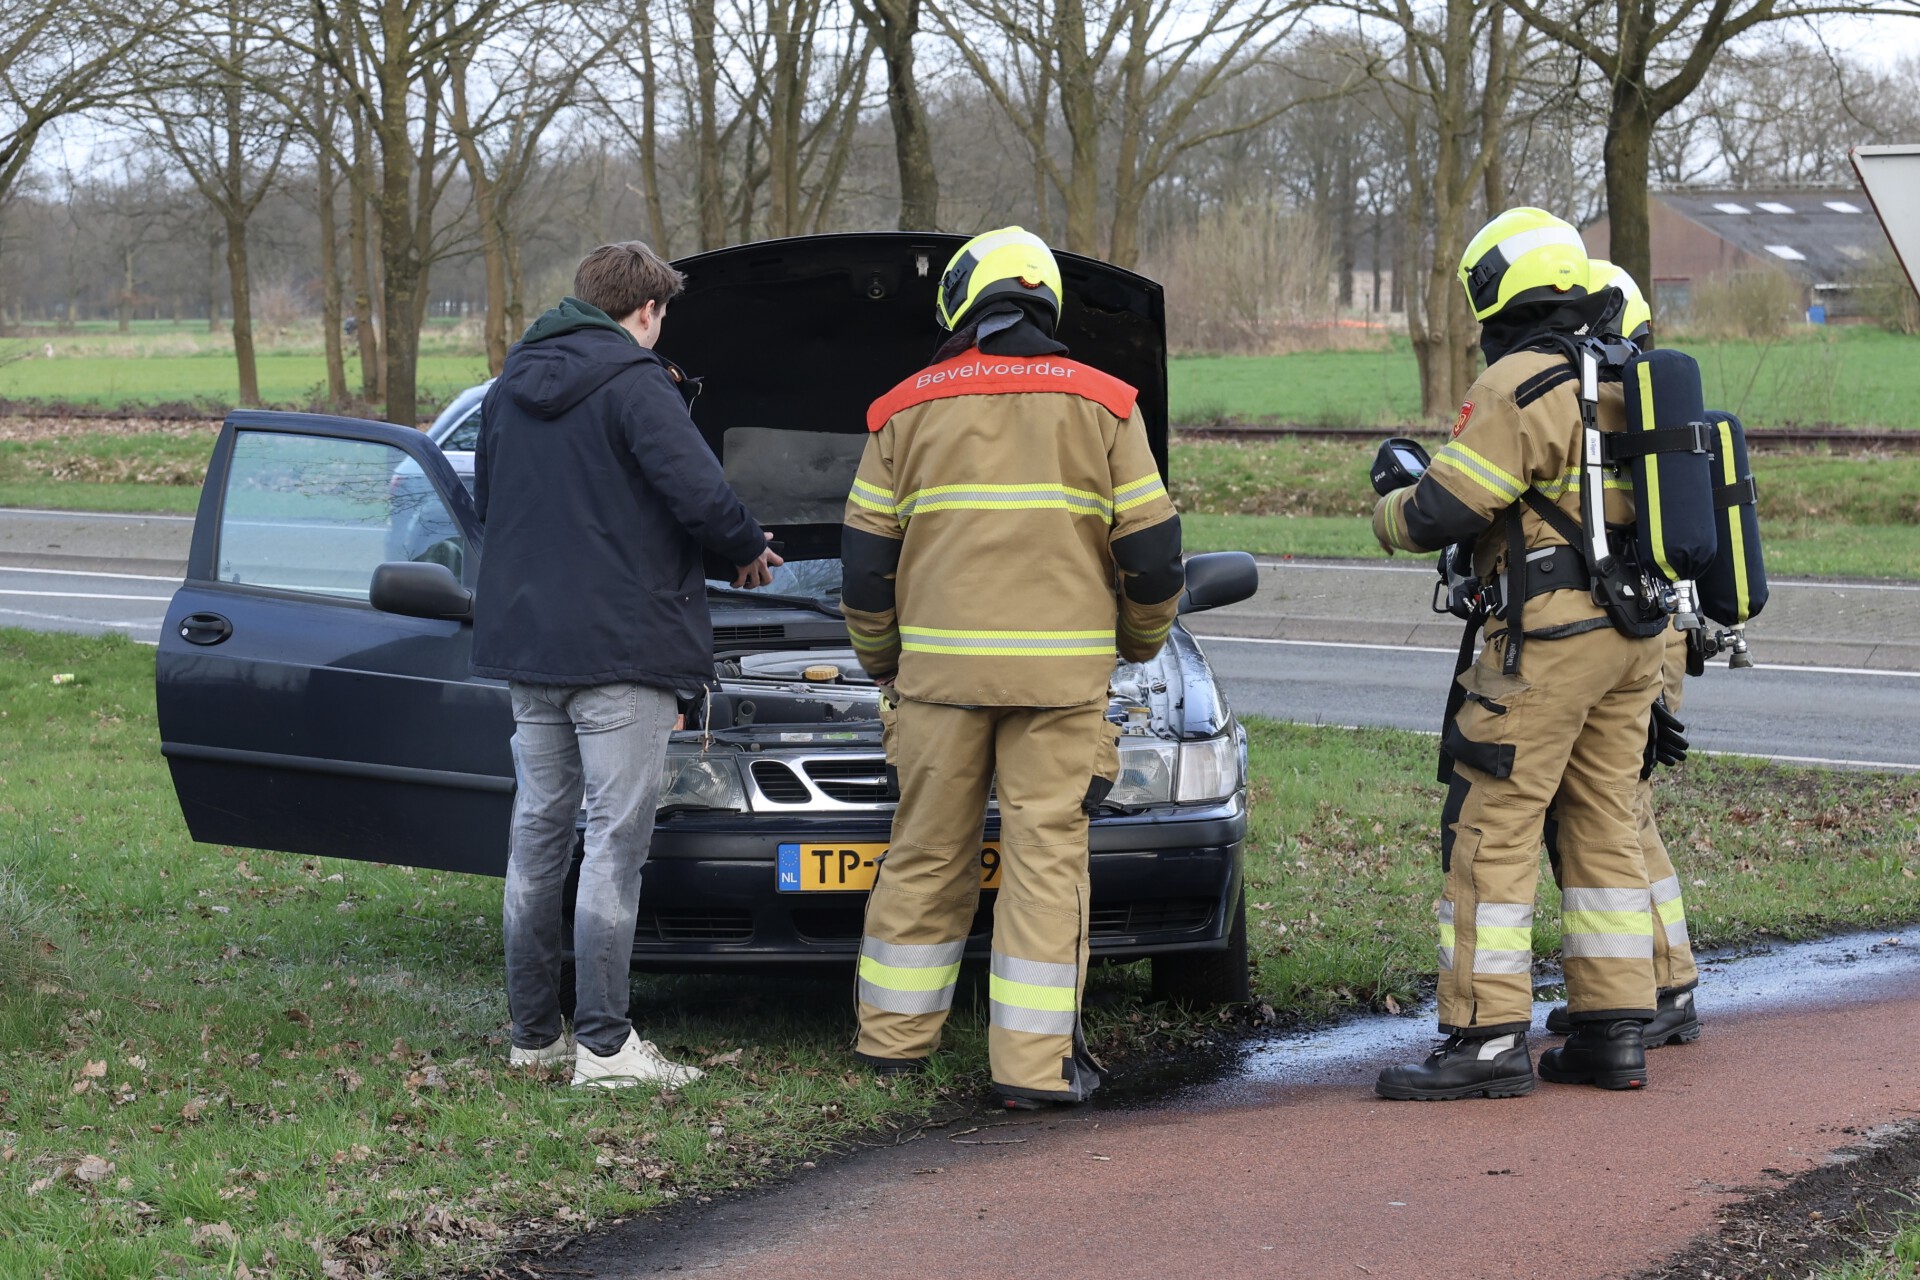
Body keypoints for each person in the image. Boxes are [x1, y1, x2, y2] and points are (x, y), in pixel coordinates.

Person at [839, 227, 1185, 1109]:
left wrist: (884, 662)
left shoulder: (901, 410)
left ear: (963, 302)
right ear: (1047, 302)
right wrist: (1140, 643)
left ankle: (891, 1045)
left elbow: (865, 567)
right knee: (1044, 860)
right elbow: (1152, 556)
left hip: (937, 685)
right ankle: (1033, 1068)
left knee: (923, 851)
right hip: (1060, 688)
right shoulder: (1107, 405)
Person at [1370, 209, 1667, 1101]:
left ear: (1496, 290)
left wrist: (1389, 502)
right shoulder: (1629, 373)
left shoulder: (1521, 383)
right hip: (1636, 639)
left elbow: (1442, 512)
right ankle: (1615, 1032)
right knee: (1604, 820)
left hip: (1550, 640)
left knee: (1491, 825)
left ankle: (1485, 1039)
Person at [472, 241, 781, 1088]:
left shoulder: (508, 390)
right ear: (647, 312)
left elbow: (489, 505)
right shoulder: (638, 381)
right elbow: (698, 492)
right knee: (613, 845)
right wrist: (747, 547)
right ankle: (606, 1047)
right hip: (622, 652)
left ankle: (534, 1035)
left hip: (530, 652)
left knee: (538, 838)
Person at [1542, 260, 1700, 1046]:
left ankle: (1659, 984)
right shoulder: (1641, 406)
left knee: (1616, 810)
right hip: (1654, 627)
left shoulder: (1602, 406)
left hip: (1633, 629)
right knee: (1621, 808)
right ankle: (1656, 984)